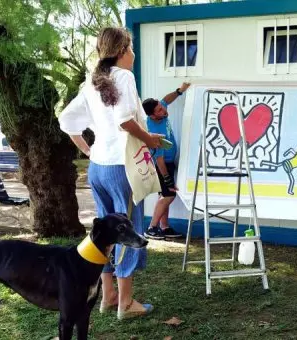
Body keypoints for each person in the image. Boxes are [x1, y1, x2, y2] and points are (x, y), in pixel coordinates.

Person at [58, 27, 164, 320]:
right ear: (121, 51)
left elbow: (67, 120)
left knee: (103, 234)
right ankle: (126, 304)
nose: (133, 55)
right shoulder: (124, 76)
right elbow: (124, 121)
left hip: (99, 169)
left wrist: (89, 151)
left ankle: (108, 296)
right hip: (122, 168)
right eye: (131, 49)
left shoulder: (91, 83)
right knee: (129, 232)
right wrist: (149, 138)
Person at [142, 82, 190, 240]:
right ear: (152, 115)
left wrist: (180, 91)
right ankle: (152, 228)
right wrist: (168, 179)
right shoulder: (154, 130)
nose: (164, 110)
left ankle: (165, 227)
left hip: (167, 162)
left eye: (162, 108)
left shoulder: (160, 109)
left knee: (164, 195)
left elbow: (166, 100)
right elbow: (159, 159)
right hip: (161, 165)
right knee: (169, 195)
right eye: (160, 110)